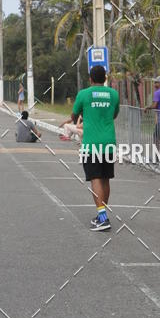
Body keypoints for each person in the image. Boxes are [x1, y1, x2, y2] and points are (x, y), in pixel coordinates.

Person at [60, 65, 119, 232]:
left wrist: (84, 115)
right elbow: (114, 115)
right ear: (105, 79)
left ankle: (103, 218)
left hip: (91, 144)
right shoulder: (113, 94)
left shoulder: (84, 94)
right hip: (109, 143)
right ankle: (102, 214)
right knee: (106, 178)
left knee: (95, 178)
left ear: (91, 79)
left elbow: (73, 116)